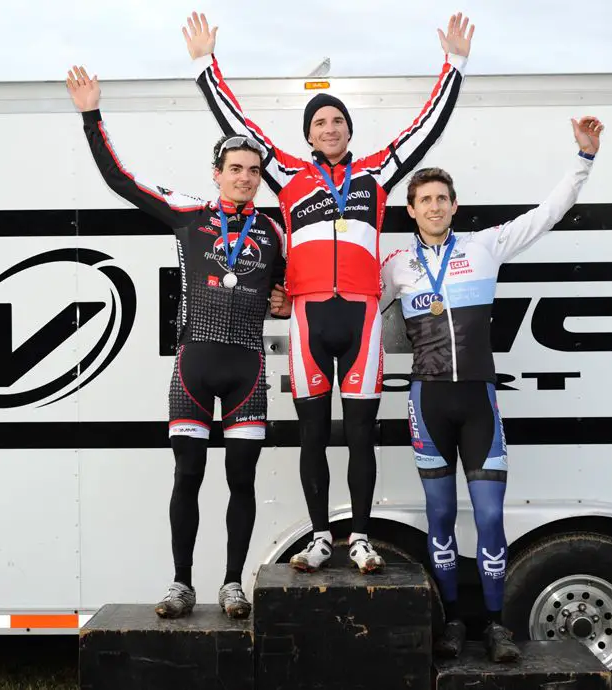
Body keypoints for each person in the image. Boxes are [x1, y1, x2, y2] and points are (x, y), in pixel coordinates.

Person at [183, 11, 474, 574]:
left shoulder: (376, 174)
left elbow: (425, 128)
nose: (329, 127)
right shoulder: (286, 174)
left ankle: (360, 536)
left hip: (361, 316)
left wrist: (454, 65)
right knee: (312, 434)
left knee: (361, 434)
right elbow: (239, 122)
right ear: (307, 134)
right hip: (309, 317)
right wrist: (204, 66)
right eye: (319, 121)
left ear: (348, 130)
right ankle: (320, 535)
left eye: (337, 119)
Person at [375, 116, 604, 661]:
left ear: (454, 206)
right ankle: (454, 623)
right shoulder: (397, 265)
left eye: (443, 198)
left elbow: (547, 214)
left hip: (478, 400)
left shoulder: (484, 247)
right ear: (411, 210)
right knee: (437, 516)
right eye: (424, 199)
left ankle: (496, 625)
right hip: (427, 400)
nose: (434, 206)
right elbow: (372, 321)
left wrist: (584, 160)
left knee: (490, 516)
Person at [66, 65, 291, 619]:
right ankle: (181, 583)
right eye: (235, 169)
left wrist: (284, 302)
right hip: (193, 363)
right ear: (216, 173)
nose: (244, 178)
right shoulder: (189, 214)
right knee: (187, 475)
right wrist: (92, 115)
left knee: (242, 480)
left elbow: (288, 291)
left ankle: (234, 583)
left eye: (253, 171)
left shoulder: (273, 230)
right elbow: (122, 181)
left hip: (248, 370)